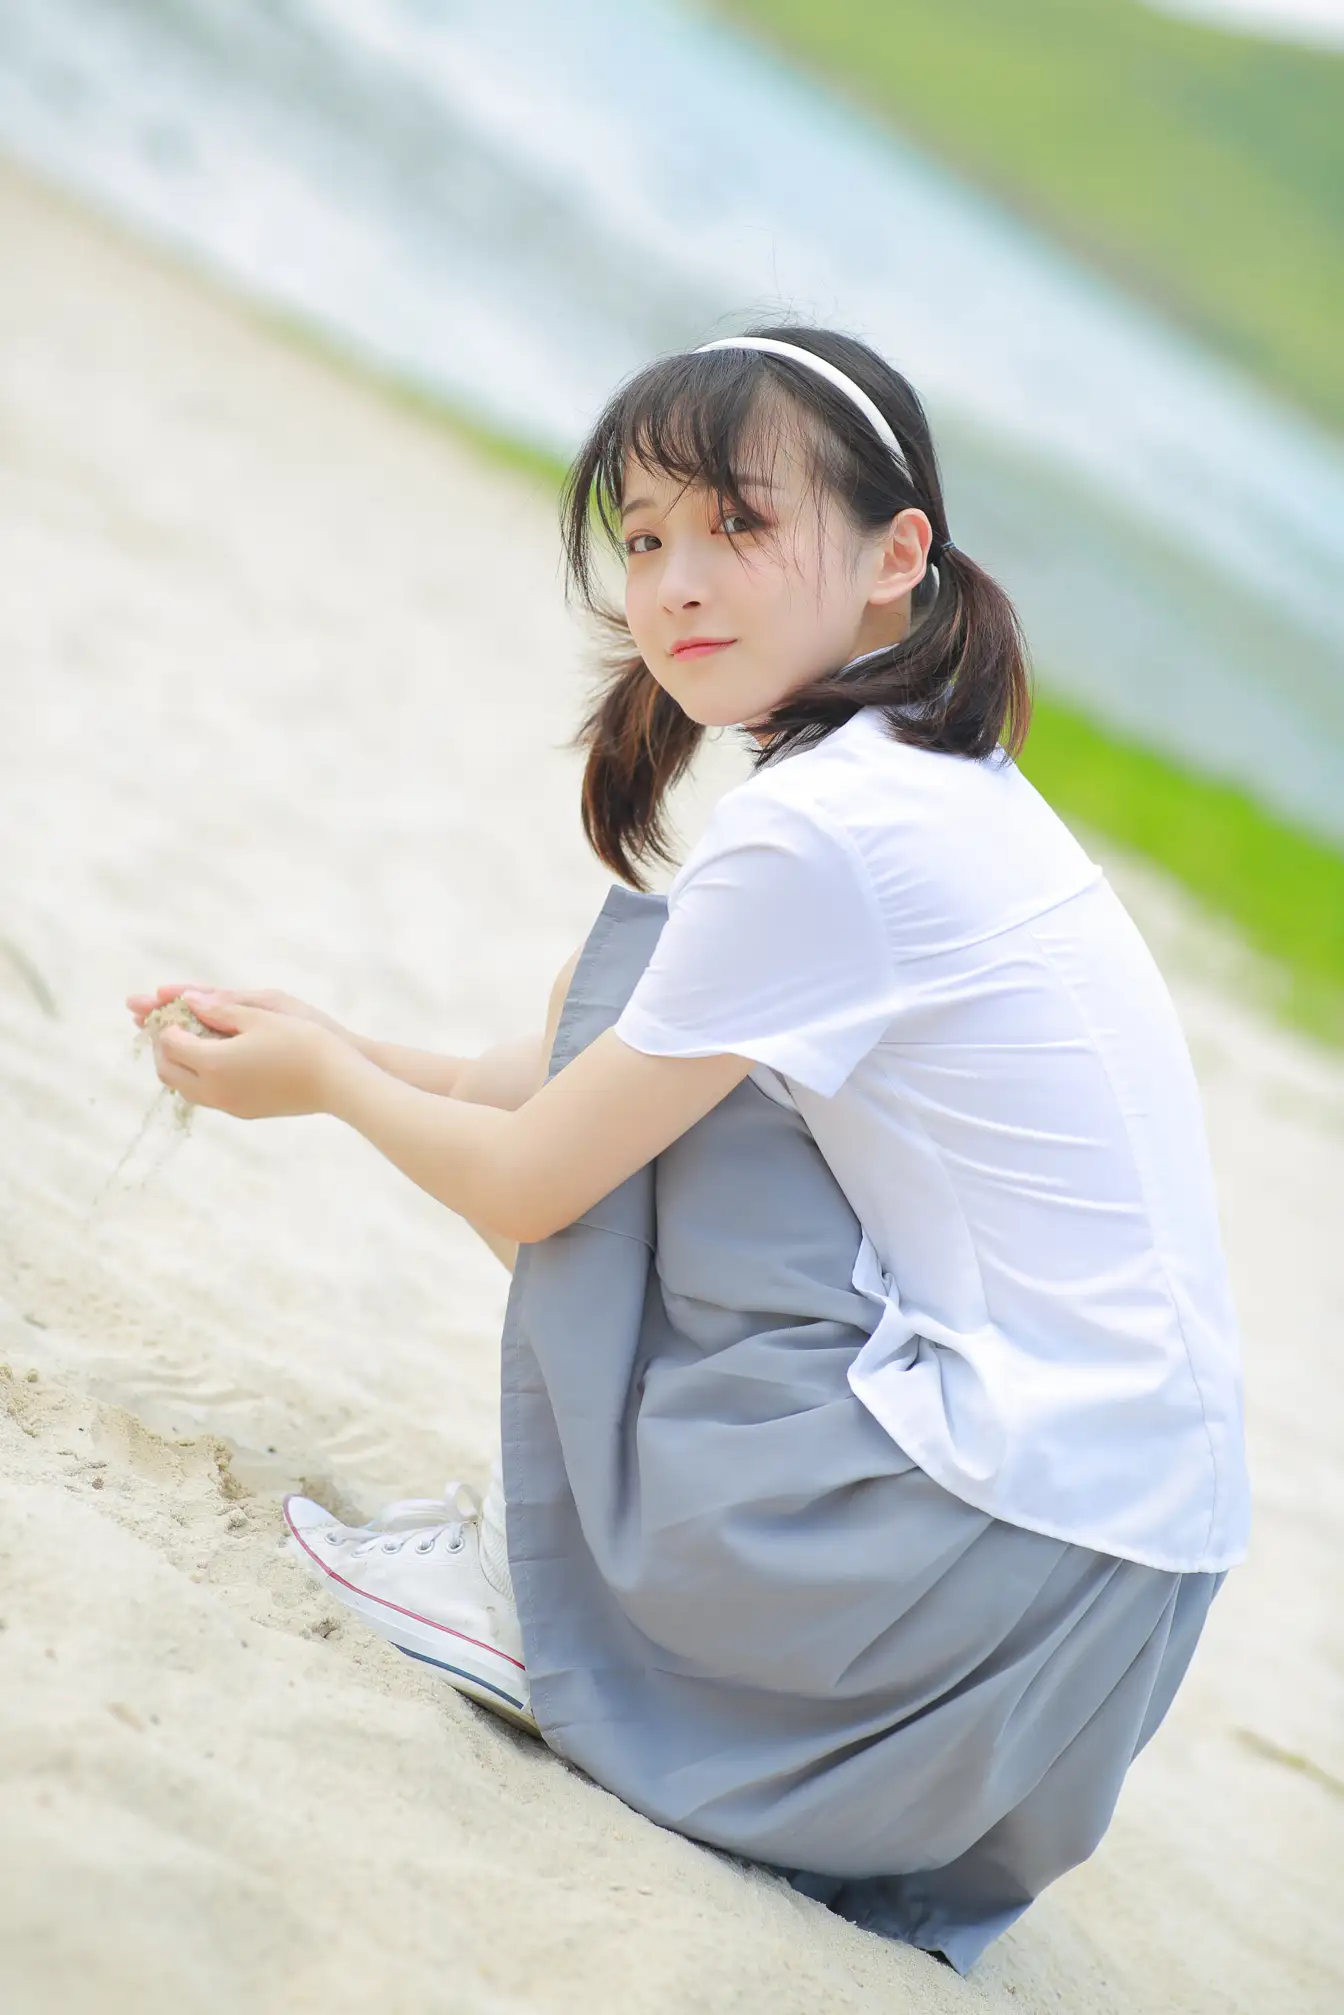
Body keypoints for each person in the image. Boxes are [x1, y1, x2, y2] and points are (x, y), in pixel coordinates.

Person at [127, 325, 1250, 1974]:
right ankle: (676, 1643)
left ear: (896, 555)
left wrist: (333, 1089)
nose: (676, 581)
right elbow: (586, 1095)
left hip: (961, 1599)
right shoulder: (944, 784)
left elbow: (541, 1174)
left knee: (635, 996)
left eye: (738, 522)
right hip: (1078, 1657)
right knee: (654, 1025)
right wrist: (336, 1042)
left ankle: (576, 1616)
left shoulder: (819, 834)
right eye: (644, 537)